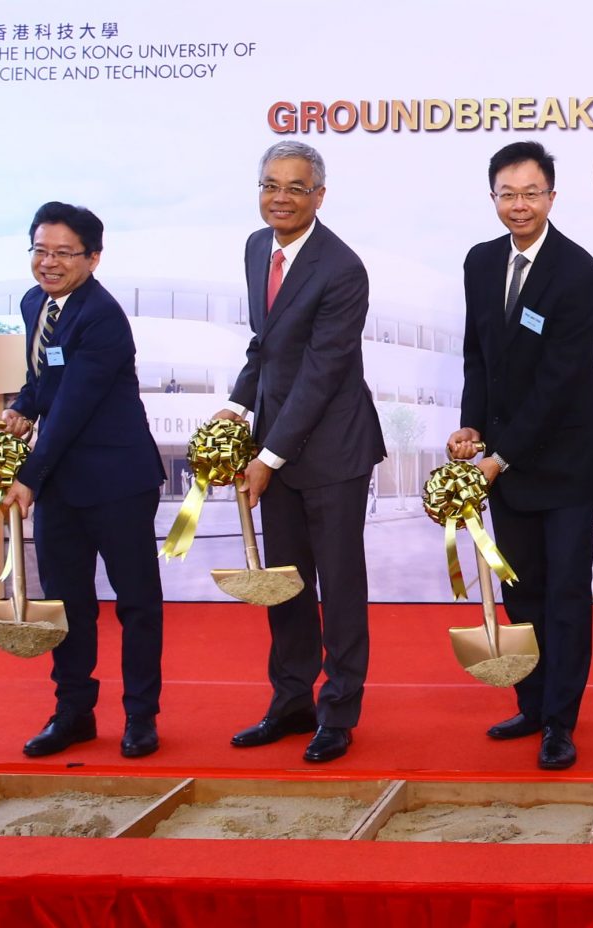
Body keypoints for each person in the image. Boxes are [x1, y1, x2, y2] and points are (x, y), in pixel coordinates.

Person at [217, 141, 387, 764]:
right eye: (270, 185)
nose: (280, 198)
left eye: (295, 187)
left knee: (338, 587)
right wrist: (236, 408)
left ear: (319, 194)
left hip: (333, 452)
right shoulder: (257, 247)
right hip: (276, 444)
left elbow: (320, 371)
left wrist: (269, 458)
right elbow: (265, 346)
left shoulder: (342, 268)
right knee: (284, 583)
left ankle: (338, 712)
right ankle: (291, 701)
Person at [446, 142, 593, 771]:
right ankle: (532, 703)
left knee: (565, 594)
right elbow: (478, 355)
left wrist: (500, 456)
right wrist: (469, 426)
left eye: (531, 193)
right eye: (507, 194)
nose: (519, 205)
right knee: (522, 593)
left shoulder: (577, 271)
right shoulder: (481, 262)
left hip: (562, 463)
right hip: (504, 464)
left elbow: (559, 380)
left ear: (551, 197)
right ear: (493, 198)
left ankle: (562, 722)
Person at [0, 201, 167, 759]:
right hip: (63, 486)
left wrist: (27, 475)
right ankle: (73, 713)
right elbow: (45, 379)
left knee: (136, 603)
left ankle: (141, 718)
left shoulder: (103, 317)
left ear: (93, 259)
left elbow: (72, 405)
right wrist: (22, 406)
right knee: (66, 604)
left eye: (63, 253)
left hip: (118, 479)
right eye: (40, 250)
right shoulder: (34, 303)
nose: (48, 263)